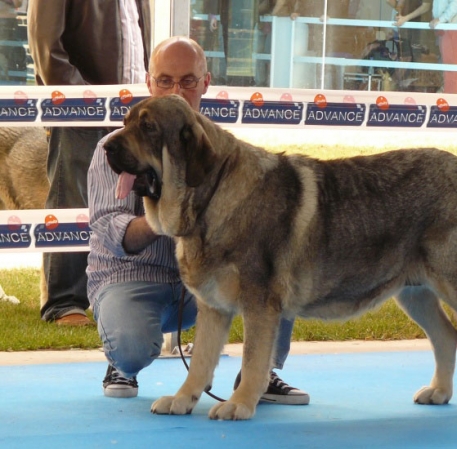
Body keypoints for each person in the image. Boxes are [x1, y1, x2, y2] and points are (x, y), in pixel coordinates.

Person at [87, 36, 310, 405]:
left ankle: (261, 373)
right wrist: (165, 217)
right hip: (137, 278)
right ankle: (120, 364)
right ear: (149, 82)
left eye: (188, 81)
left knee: (271, 266)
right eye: (165, 80)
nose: (176, 90)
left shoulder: (218, 147)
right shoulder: (114, 147)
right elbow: (111, 233)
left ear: (205, 83)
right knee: (131, 344)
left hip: (205, 278)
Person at [27, 0, 151, 326]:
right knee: (72, 195)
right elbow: (44, 42)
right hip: (79, 106)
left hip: (131, 106)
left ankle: (114, 292)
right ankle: (64, 302)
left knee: (124, 202)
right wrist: (77, 99)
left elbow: (137, 37)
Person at [394, 0, 457, 94]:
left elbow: (456, 3)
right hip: (446, 27)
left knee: (453, 69)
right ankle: (450, 98)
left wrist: (441, 19)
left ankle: (453, 101)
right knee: (449, 69)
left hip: (452, 28)